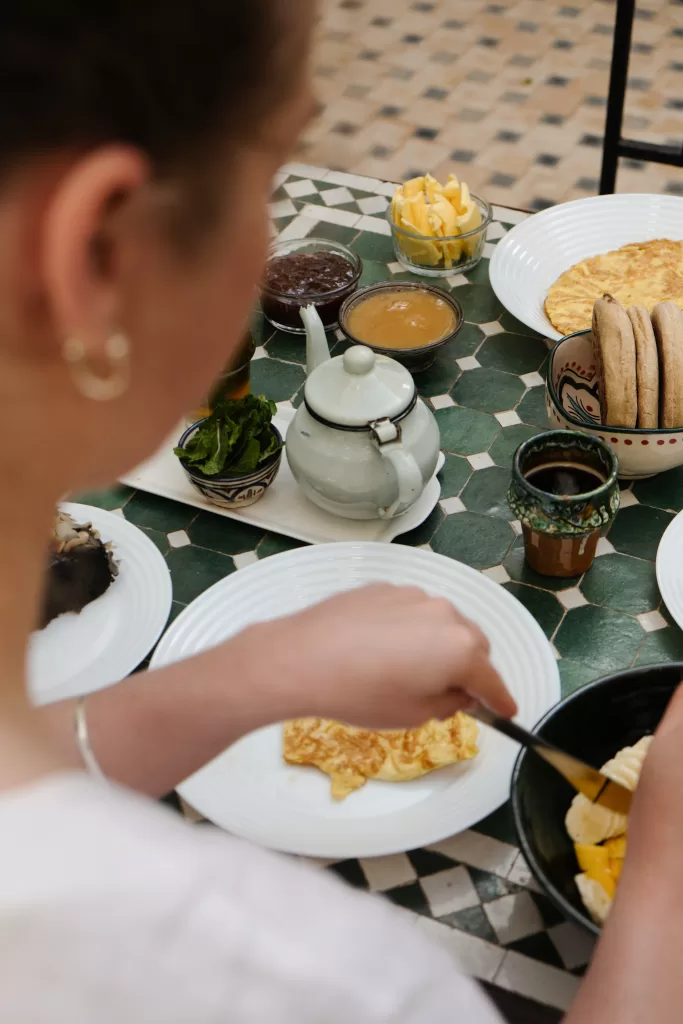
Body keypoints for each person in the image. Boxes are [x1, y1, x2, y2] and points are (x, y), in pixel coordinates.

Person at [0, 5, 680, 1023]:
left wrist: (232, 681)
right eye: (272, 179)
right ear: (95, 253)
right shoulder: (306, 977)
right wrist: (662, 879)